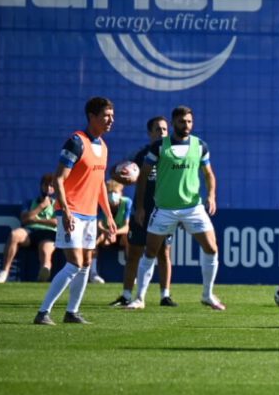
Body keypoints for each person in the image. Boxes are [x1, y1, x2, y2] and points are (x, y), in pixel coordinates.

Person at [125, 105, 225, 311]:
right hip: (165, 209)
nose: (186, 125)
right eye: (182, 122)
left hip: (193, 207)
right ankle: (139, 298)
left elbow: (208, 174)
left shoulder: (200, 146)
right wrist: (142, 207)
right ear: (173, 124)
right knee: (150, 251)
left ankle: (207, 295)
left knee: (212, 248)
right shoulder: (160, 147)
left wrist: (212, 196)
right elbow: (143, 176)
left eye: (189, 121)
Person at [33, 97, 116, 325]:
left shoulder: (103, 146)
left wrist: (108, 215)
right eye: (106, 116)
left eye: (112, 115)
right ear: (92, 117)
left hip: (90, 214)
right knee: (74, 264)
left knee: (86, 264)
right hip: (72, 212)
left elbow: (99, 184)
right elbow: (58, 179)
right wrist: (66, 211)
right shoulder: (76, 142)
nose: (111, 120)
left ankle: (72, 312)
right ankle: (43, 312)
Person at [110, 116, 176, 307]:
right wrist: (122, 176)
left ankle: (165, 295)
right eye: (158, 129)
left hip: (164, 212)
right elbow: (116, 172)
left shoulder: (172, 154)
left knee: (164, 253)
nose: (162, 133)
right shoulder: (140, 155)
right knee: (134, 254)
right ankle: (126, 295)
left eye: (164, 129)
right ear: (149, 133)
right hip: (142, 211)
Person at [0, 174, 58, 283]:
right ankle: (4, 272)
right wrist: (41, 207)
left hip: (49, 234)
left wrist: (36, 220)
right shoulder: (29, 202)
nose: (48, 188)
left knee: (45, 250)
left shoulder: (58, 204)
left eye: (51, 186)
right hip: (30, 232)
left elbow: (56, 222)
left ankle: (43, 273)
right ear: (41, 186)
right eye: (46, 185)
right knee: (15, 235)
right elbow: (24, 219)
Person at [88, 180, 131, 283]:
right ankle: (92, 273)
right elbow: (99, 224)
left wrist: (114, 233)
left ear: (121, 193)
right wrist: (107, 232)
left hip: (120, 235)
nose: (112, 195)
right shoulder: (102, 202)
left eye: (115, 192)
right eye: (109, 192)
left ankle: (131, 275)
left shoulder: (127, 202)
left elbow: (126, 227)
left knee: (128, 239)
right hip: (106, 235)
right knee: (95, 240)